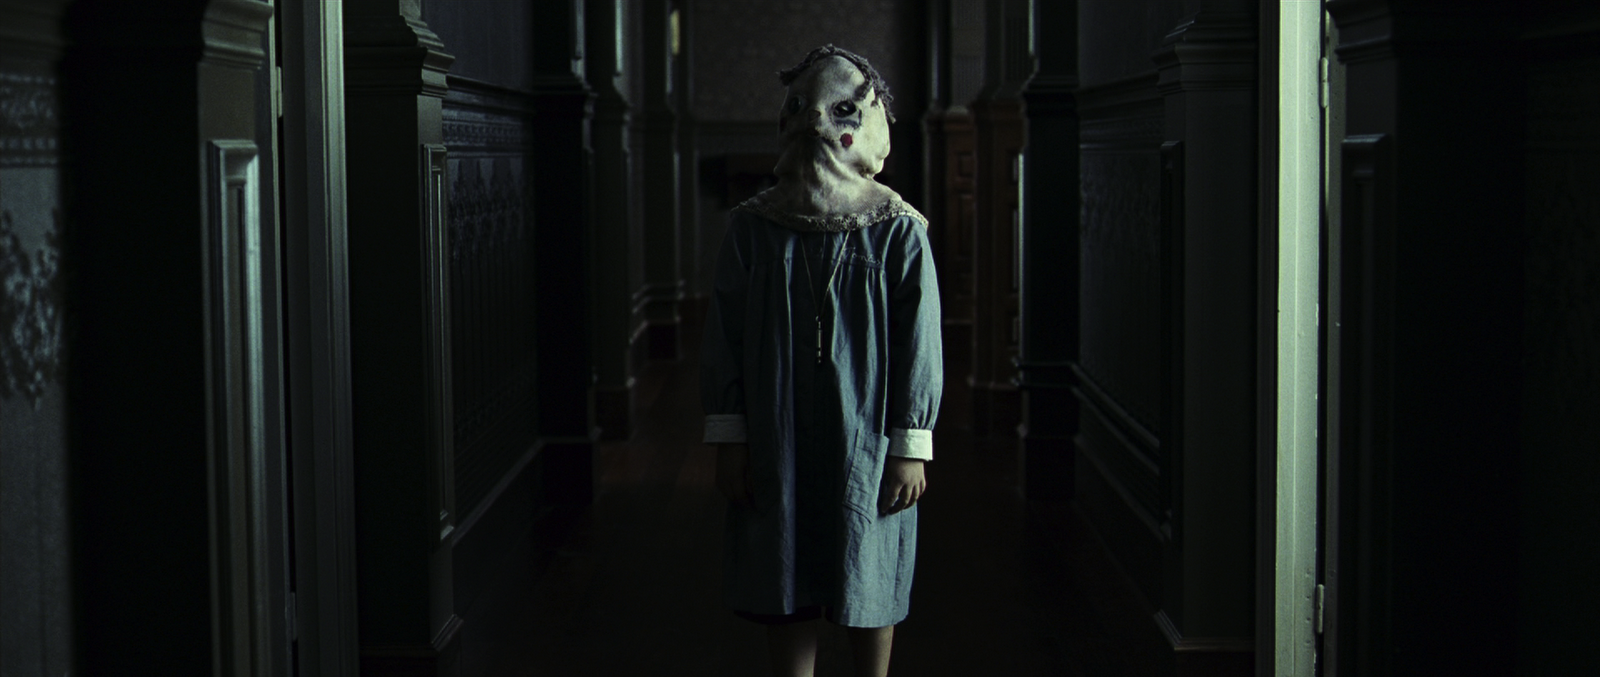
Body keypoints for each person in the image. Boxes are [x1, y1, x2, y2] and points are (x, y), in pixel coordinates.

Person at [700, 44, 943, 677]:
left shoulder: (897, 231)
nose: (815, 124)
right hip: (775, 429)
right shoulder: (754, 229)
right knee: (784, 558)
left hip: (866, 433)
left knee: (870, 553)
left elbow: (920, 343)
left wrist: (910, 442)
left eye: (837, 111)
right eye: (801, 107)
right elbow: (725, 334)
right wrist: (731, 436)